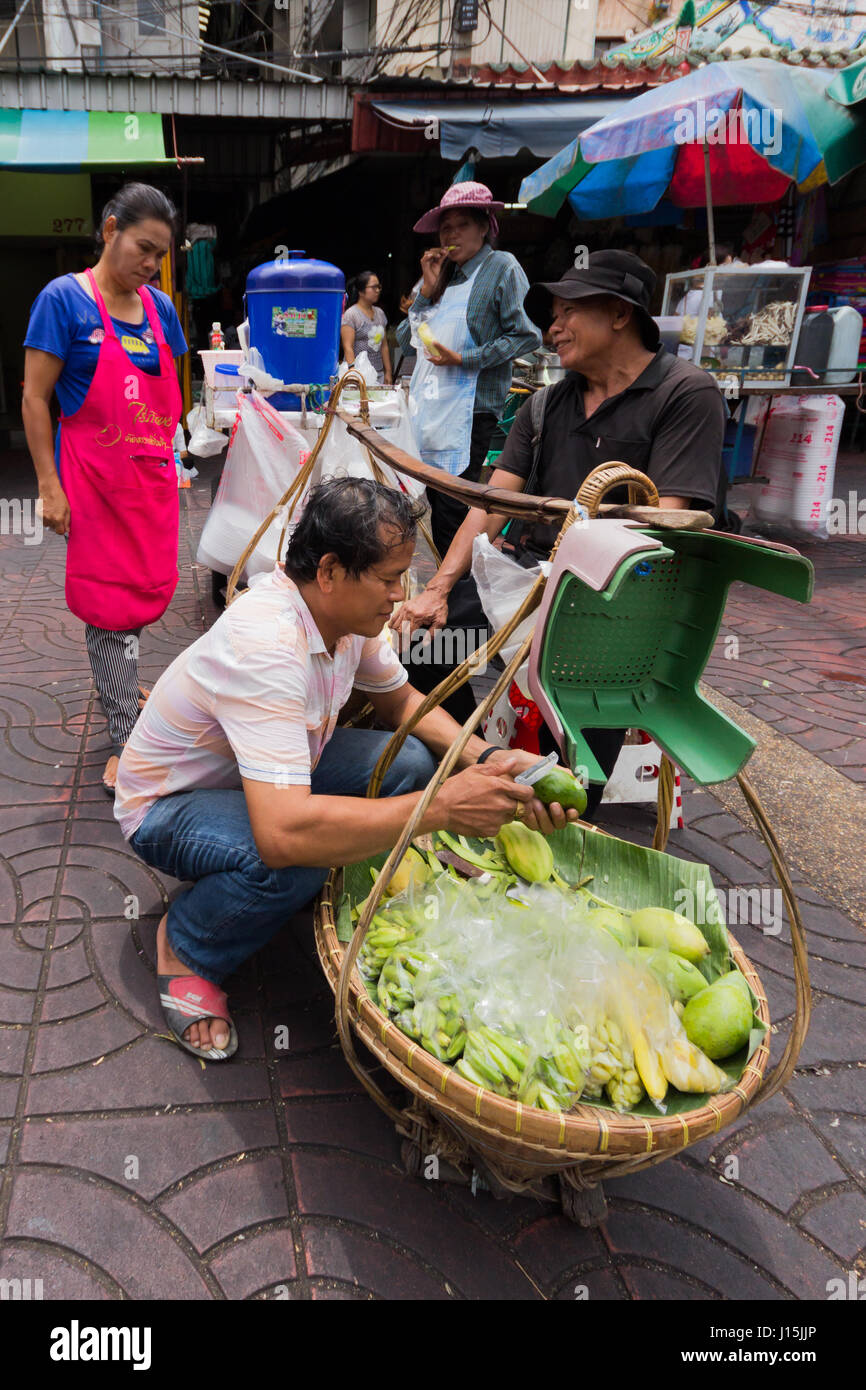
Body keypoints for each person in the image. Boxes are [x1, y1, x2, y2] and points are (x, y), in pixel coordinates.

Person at [115, 478, 577, 1061]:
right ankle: (186, 944)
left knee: (407, 758)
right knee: (296, 858)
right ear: (330, 571)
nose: (399, 595)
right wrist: (440, 810)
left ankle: (278, 884)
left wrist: (486, 758)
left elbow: (403, 704)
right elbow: (283, 834)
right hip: (167, 806)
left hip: (262, 777)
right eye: (387, 579)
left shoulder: (346, 622)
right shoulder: (268, 643)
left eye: (403, 576)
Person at [391, 250, 726, 807]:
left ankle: (565, 813)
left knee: (567, 743)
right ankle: (471, 767)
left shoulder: (684, 394)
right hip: (530, 580)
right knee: (423, 647)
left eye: (569, 311)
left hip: (620, 597)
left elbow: (664, 521)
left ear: (619, 314)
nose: (554, 327)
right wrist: (438, 588)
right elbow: (492, 503)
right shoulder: (546, 405)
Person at [23, 182, 187, 794]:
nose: (149, 265)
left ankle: (123, 682)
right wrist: (48, 483)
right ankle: (127, 739)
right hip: (93, 487)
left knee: (144, 594)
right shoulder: (63, 301)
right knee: (108, 610)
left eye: (159, 256)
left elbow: (169, 386)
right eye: (143, 248)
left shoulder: (160, 307)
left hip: (149, 486)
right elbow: (36, 398)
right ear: (110, 228)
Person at [394, 182, 541, 558]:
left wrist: (465, 359)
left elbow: (526, 336)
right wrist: (426, 290)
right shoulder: (441, 274)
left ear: (484, 226)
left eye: (461, 225)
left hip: (471, 412)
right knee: (427, 502)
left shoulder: (501, 268)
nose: (451, 235)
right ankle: (449, 595)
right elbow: (402, 336)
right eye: (446, 228)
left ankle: (459, 602)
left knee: (454, 509)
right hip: (429, 409)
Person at [341, 271, 392, 385]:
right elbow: (348, 347)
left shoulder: (380, 314)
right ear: (361, 291)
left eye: (379, 287)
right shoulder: (352, 314)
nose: (378, 290)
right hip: (359, 375)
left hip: (379, 374)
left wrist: (388, 372)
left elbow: (384, 346)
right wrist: (353, 373)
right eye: (374, 287)